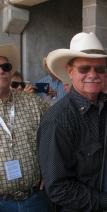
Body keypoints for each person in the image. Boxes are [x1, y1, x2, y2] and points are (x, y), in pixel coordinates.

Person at [37, 32, 107, 212]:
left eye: (100, 69)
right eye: (84, 68)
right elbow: (58, 188)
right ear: (70, 72)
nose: (93, 74)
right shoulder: (57, 120)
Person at [0, 43, 51, 212]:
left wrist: (52, 167)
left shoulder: (31, 101)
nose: (2, 70)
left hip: (36, 198)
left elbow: (60, 126)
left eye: (5, 66)